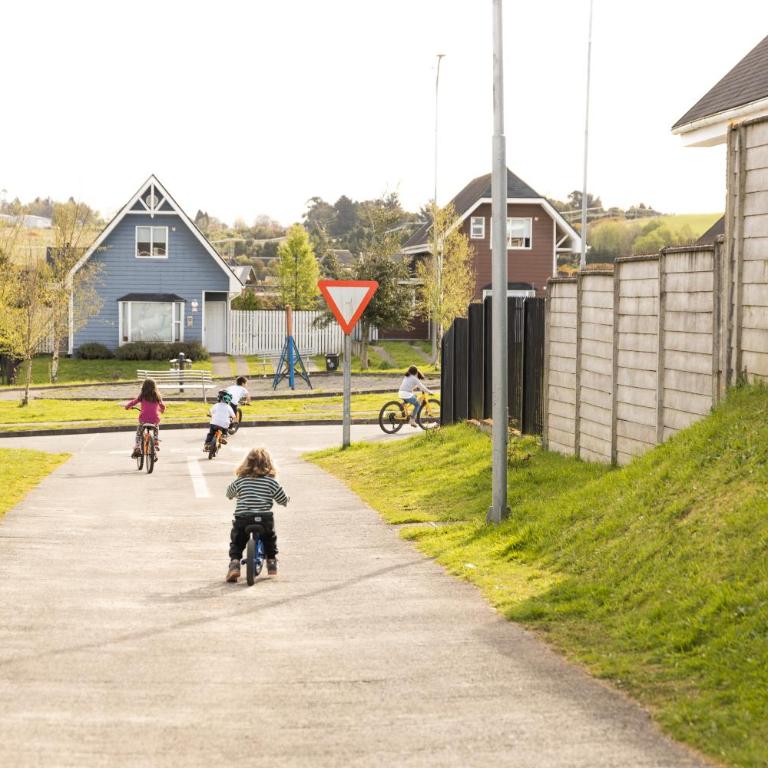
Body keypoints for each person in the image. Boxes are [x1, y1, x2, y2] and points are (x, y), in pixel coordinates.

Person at [225, 447, 289, 582]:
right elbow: (282, 499)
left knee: (237, 540)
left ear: (246, 464)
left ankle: (235, 564)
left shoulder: (241, 480)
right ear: (268, 464)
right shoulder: (271, 482)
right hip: (264, 519)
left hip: (243, 518)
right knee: (270, 538)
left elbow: (229, 493)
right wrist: (286, 500)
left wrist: (233, 495)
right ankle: (271, 561)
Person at [125, 379, 166, 458]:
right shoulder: (157, 396)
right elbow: (163, 406)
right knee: (156, 426)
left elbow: (134, 402)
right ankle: (156, 440)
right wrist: (162, 410)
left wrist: (127, 407)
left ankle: (137, 446)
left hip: (143, 419)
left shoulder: (142, 396)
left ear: (143, 387)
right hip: (155, 419)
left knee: (139, 433)